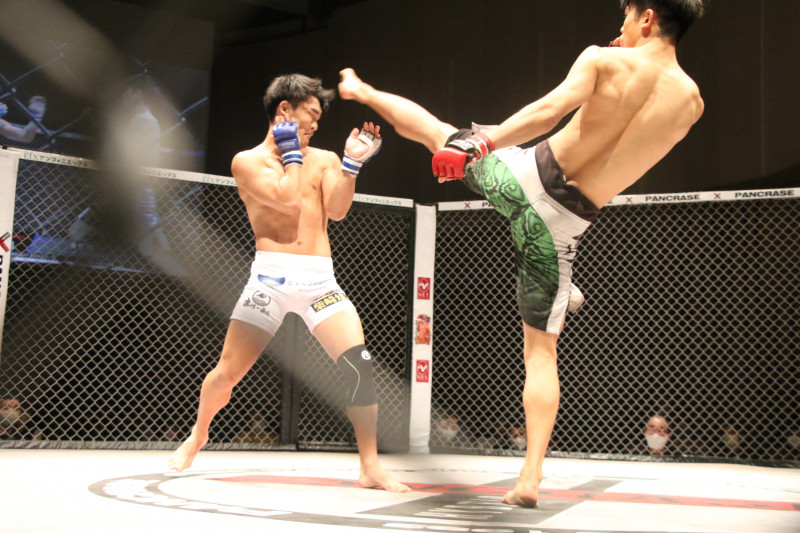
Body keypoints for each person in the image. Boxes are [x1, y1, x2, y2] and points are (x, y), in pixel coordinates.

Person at [339, 0, 704, 506]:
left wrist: (479, 144)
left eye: (626, 14)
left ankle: (362, 90)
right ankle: (530, 478)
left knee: (438, 132)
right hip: (564, 225)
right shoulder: (691, 103)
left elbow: (546, 113)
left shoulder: (604, 59)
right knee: (541, 352)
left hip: (525, 179)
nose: (619, 25)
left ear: (647, 18)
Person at [168, 73, 408, 493]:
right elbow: (287, 199)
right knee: (227, 375)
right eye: (310, 113)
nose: (315, 123)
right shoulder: (247, 161)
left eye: (318, 117)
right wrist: (292, 153)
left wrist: (351, 165)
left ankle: (370, 466)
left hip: (320, 281)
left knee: (360, 365)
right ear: (284, 109)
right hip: (270, 280)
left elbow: (338, 211)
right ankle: (198, 433)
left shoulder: (325, 158)